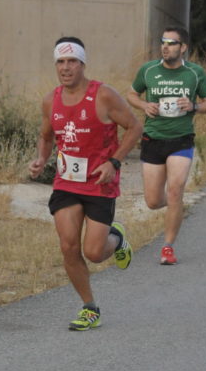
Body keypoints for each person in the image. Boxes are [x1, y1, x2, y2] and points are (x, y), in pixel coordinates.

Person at [29, 37, 142, 331]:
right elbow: (46, 136)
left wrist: (114, 162)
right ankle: (90, 308)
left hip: (99, 184)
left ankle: (116, 238)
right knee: (68, 246)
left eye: (72, 61)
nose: (65, 68)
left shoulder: (103, 95)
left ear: (82, 64)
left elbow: (134, 127)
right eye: (60, 62)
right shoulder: (50, 100)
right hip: (66, 182)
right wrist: (41, 158)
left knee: (94, 252)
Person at [128, 26, 206, 265]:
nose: (165, 47)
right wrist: (144, 105)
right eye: (163, 42)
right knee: (153, 201)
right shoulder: (148, 70)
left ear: (183, 47)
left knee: (175, 190)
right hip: (153, 138)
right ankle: (175, 206)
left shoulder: (194, 73)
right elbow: (131, 94)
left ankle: (167, 247)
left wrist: (194, 106)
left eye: (171, 43)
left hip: (181, 139)